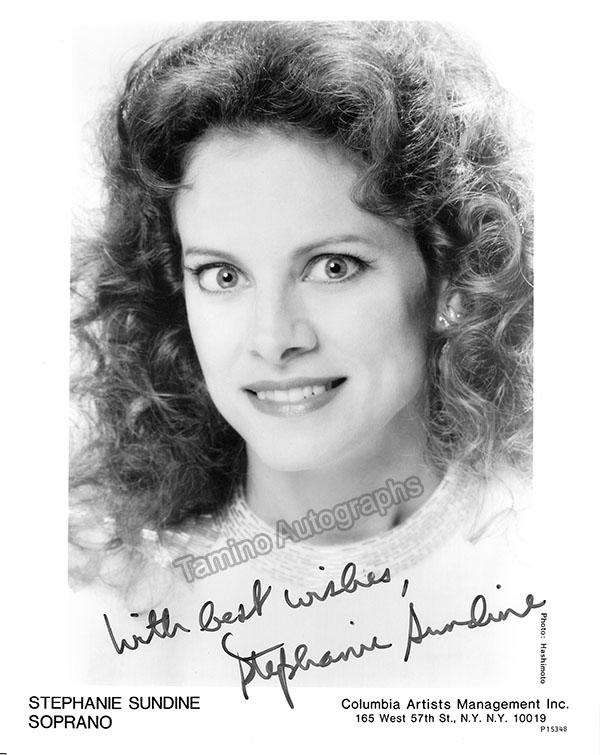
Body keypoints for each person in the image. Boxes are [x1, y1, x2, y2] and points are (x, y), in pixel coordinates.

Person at [70, 21, 536, 688]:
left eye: (333, 266)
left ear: (451, 279)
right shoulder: (97, 609)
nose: (273, 337)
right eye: (222, 275)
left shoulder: (552, 565)